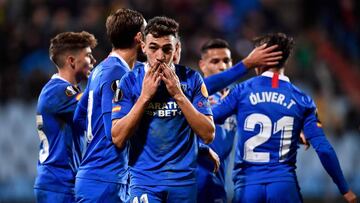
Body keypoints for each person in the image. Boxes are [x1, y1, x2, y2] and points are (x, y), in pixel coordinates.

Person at [211, 33, 357, 203]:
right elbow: (324, 149)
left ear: (260, 59)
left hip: (247, 187)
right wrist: (344, 189)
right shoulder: (302, 99)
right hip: (284, 187)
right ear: (285, 60)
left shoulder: (241, 91)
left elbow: (208, 118)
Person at [111, 16, 215, 203]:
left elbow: (208, 134)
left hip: (183, 183)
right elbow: (118, 138)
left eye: (167, 49)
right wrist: (144, 97)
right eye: (153, 48)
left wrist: (178, 95)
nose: (160, 56)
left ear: (176, 50)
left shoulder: (191, 79)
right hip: (144, 182)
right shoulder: (129, 81)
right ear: (143, 47)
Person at [73, 8, 145, 202]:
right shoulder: (116, 73)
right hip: (105, 181)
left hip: (96, 177)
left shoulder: (100, 70)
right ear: (139, 37)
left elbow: (78, 117)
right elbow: (116, 135)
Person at [34, 31, 97, 202]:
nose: (94, 61)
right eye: (89, 56)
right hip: (57, 183)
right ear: (71, 61)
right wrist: (105, 76)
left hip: (62, 181)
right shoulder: (57, 91)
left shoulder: (62, 91)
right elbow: (94, 105)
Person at [195, 38, 237, 203]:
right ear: (202, 65)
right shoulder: (192, 93)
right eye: (215, 61)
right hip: (191, 180)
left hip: (218, 183)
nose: (222, 66)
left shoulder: (236, 97)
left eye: (226, 61)